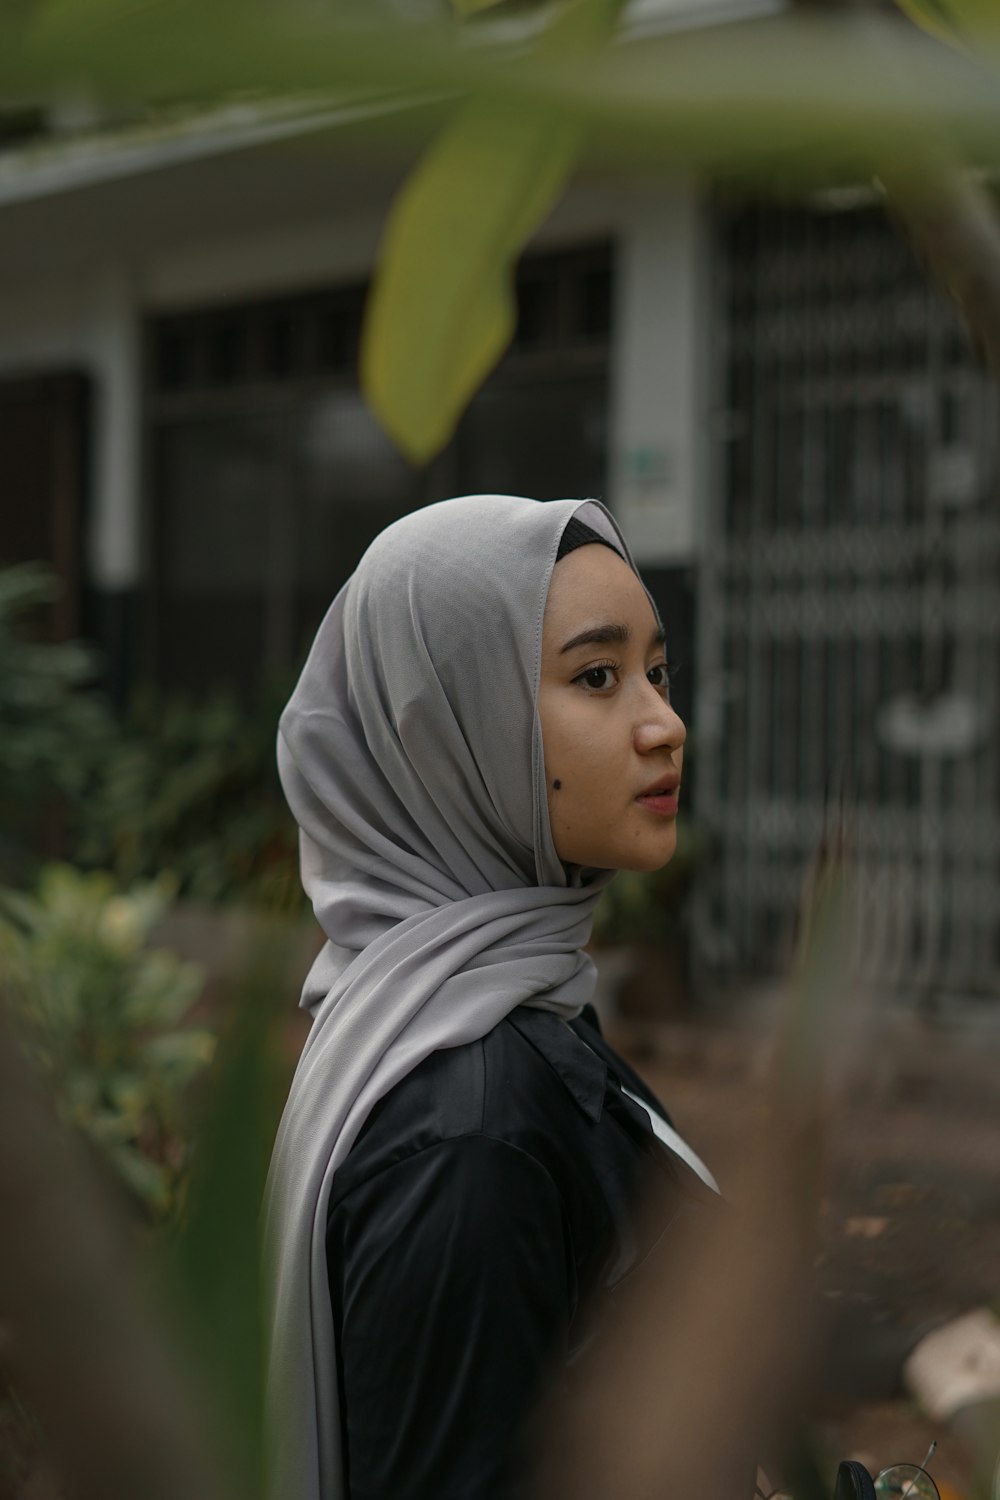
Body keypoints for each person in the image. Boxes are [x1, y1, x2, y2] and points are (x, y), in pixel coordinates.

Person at [263, 494, 720, 1500]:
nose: (664, 725)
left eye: (655, 671)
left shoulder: (481, 1007)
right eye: (596, 677)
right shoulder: (471, 1135)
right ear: (448, 728)